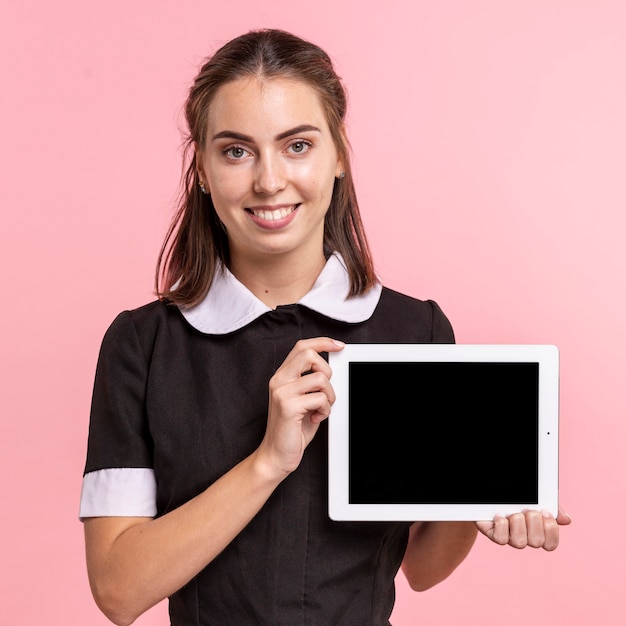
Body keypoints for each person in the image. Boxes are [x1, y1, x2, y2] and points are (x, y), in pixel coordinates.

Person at [80, 28, 570, 626]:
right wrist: (269, 460)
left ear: (338, 154)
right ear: (202, 170)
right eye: (236, 150)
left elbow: (422, 568)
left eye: (297, 145)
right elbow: (118, 590)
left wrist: (479, 502)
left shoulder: (416, 330)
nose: (268, 180)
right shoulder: (144, 345)